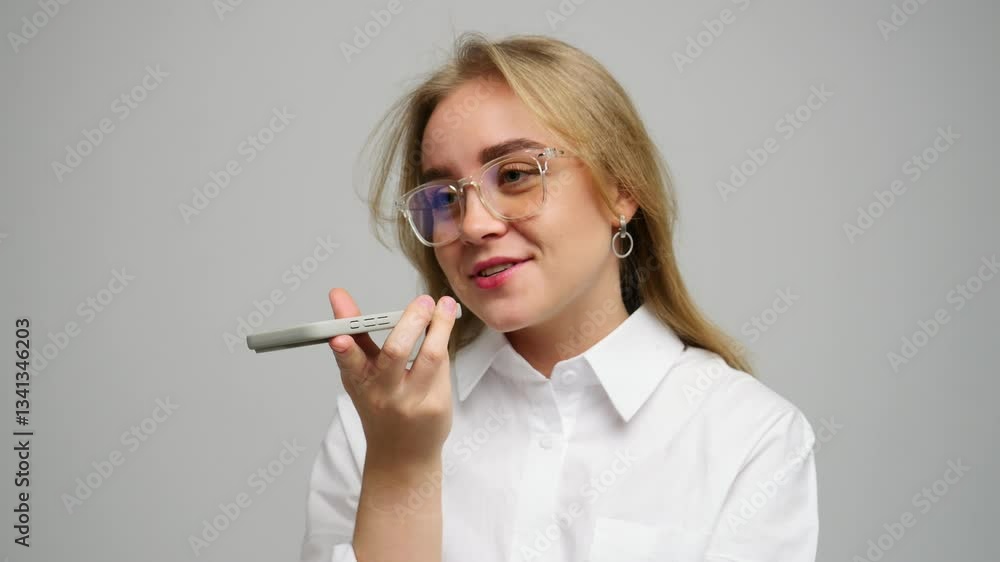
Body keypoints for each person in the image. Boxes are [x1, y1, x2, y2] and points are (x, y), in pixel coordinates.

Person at [300, 32, 818, 562]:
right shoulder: (373, 430)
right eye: (444, 198)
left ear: (621, 189)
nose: (474, 225)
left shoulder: (749, 437)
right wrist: (400, 470)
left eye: (517, 174)